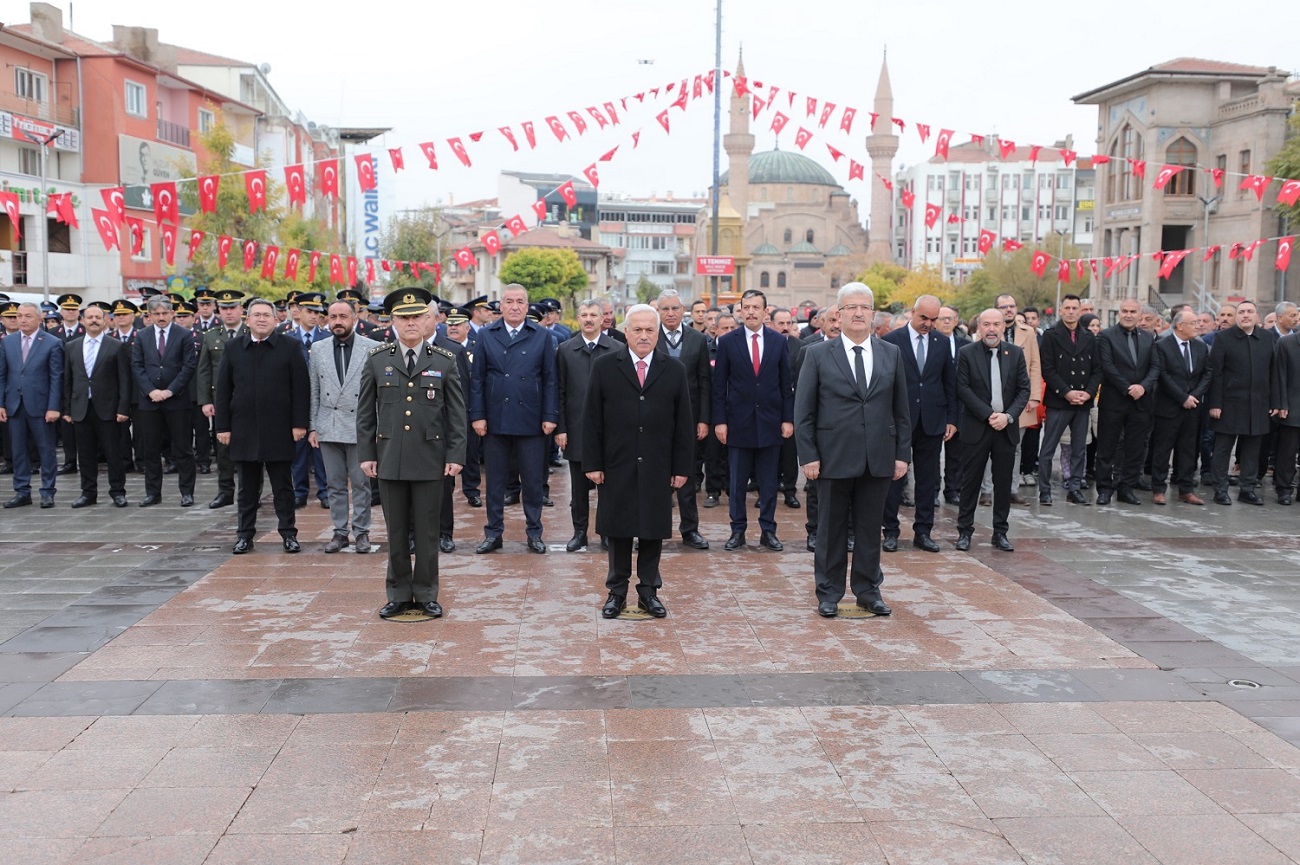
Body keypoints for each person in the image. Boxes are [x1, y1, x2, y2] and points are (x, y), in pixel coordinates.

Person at [796, 283, 910, 618]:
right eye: (851, 307)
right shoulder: (816, 354)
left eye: (864, 307)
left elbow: (901, 410)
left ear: (873, 314)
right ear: (839, 314)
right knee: (830, 530)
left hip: (878, 457)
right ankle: (829, 592)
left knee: (869, 529)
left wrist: (902, 454)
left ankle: (867, 590)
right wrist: (808, 455)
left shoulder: (891, 354)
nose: (858, 313)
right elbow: (803, 412)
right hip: (832, 457)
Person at [358, 288, 466, 619]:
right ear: (392, 322)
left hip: (431, 459)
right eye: (403, 318)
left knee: (427, 532)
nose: (411, 323)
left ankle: (427, 593)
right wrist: (366, 454)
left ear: (430, 320)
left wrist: (456, 455)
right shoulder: (378, 359)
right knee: (395, 532)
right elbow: (365, 413)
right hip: (389, 458)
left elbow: (457, 413)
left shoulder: (444, 360)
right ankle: (399, 593)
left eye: (417, 317)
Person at [583, 305, 695, 619]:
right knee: (618, 530)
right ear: (626, 332)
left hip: (658, 464)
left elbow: (683, 423)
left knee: (652, 529)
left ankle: (648, 592)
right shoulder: (605, 366)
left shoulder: (673, 369)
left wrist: (681, 467)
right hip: (617, 463)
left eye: (650, 330)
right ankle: (616, 592)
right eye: (638, 330)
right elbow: (591, 419)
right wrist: (593, 462)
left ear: (657, 334)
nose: (643, 336)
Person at [214, 298, 309, 554]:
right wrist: (222, 426)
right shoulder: (233, 348)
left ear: (276, 320)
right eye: (256, 315)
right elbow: (223, 391)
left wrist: (300, 424)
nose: (262, 319)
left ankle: (288, 534)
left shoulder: (290, 346)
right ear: (248, 320)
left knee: (283, 487)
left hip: (279, 428)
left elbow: (301, 388)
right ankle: (244, 535)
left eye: (266, 315)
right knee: (246, 489)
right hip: (243, 428)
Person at [469, 284, 557, 554]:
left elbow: (551, 379)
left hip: (531, 419)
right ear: (502, 306)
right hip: (496, 419)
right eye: (509, 301)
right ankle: (493, 533)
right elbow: (478, 380)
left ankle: (534, 532)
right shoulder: (486, 335)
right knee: (495, 482)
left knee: (532, 482)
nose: (515, 306)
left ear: (527, 307)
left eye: (520, 301)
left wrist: (550, 415)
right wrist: (478, 415)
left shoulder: (541, 336)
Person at [713, 289, 794, 552]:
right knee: (737, 482)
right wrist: (720, 421)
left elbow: (786, 385)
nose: (750, 312)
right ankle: (738, 530)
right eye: (745, 307)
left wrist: (787, 419)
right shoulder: (727, 342)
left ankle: (768, 530)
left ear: (765, 311)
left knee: (769, 482)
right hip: (738, 423)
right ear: (740, 310)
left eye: (755, 307)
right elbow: (719, 386)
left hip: (771, 422)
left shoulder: (778, 342)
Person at [880, 295, 956, 554]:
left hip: (932, 421)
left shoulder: (943, 343)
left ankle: (923, 532)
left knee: (928, 479)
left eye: (933, 319)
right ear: (913, 312)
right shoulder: (891, 341)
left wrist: (951, 419)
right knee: (894, 478)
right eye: (924, 318)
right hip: (899, 421)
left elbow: (950, 383)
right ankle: (890, 531)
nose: (928, 324)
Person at [954, 309, 1031, 553]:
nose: (991, 329)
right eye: (986, 324)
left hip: (1005, 429)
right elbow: (963, 388)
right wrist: (989, 415)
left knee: (1003, 482)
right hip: (977, 427)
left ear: (1003, 327)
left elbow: (1023, 390)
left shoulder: (1016, 353)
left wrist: (1007, 417)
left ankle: (1000, 532)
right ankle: (964, 532)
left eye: (996, 324)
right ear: (978, 327)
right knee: (970, 482)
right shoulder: (967, 353)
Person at [309, 299, 380, 554]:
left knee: (361, 483)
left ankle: (362, 532)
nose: (337, 321)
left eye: (343, 316)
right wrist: (313, 427)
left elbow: (379, 394)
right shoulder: (318, 349)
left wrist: (377, 429)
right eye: (332, 317)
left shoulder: (373, 348)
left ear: (355, 318)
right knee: (334, 484)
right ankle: (340, 532)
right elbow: (314, 391)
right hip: (329, 425)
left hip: (360, 427)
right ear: (327, 320)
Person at [556, 299, 618, 552]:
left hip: (610, 430)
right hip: (577, 428)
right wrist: (561, 428)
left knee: (609, 487)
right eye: (584, 315)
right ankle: (579, 533)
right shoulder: (565, 349)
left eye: (594, 314)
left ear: (604, 318)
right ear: (578, 318)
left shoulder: (616, 348)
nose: (589, 319)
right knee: (578, 489)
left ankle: (606, 532)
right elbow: (558, 391)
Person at [656, 289, 712, 549]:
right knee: (654, 477)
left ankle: (690, 530)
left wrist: (703, 419)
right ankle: (651, 528)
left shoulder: (697, 339)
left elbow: (704, 381)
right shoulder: (647, 336)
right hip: (656, 418)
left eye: (674, 308)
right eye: (665, 308)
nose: (670, 313)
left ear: (683, 311)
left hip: (688, 419)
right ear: (658, 311)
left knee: (687, 475)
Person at [61, 303, 131, 508]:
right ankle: (88, 493)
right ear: (83, 321)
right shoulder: (71, 346)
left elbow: (125, 380)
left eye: (97, 317)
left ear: (105, 321)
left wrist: (123, 408)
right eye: (89, 317)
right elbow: (67, 379)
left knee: (113, 453)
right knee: (85, 454)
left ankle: (118, 491)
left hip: (108, 409)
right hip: (81, 408)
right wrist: (67, 409)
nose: (93, 320)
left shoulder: (116, 346)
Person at [1207, 300, 1277, 506]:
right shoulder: (1223, 338)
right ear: (1237, 316)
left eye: (1250, 312)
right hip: (1229, 403)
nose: (1245, 315)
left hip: (1258, 403)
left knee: (1252, 449)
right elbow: (1215, 373)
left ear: (1257, 316)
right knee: (1222, 449)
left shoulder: (1266, 337)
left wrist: (1273, 401)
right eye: (1242, 312)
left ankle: (1247, 488)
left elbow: (1272, 372)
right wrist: (1215, 403)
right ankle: (1220, 489)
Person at [130, 296, 197, 507]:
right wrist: (150, 391)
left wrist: (170, 391)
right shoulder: (141, 335)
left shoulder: (184, 335)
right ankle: (152, 493)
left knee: (183, 448)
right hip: (149, 401)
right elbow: (137, 366)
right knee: (150, 449)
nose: (161, 317)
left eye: (164, 313)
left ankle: (187, 492)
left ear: (172, 314)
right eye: (156, 314)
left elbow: (188, 366)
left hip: (176, 400)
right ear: (149, 316)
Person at [1037, 295, 1101, 506]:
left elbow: (1097, 370)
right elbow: (1047, 368)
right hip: (1059, 401)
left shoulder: (1089, 337)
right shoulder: (1050, 335)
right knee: (1048, 449)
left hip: (1082, 401)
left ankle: (1075, 488)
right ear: (1061, 310)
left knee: (1079, 448)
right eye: (1067, 308)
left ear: (1080, 311)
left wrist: (1088, 393)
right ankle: (1045, 491)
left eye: (1075, 308)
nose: (1071, 311)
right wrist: (1066, 392)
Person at [1094, 298, 1158, 505]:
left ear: (1139, 315)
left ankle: (1126, 488)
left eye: (1133, 311)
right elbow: (1107, 365)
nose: (1128, 314)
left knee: (1135, 448)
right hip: (1114, 400)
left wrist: (1143, 387)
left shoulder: (1148, 338)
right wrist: (1128, 388)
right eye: (1125, 311)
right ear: (1118, 313)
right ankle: (1104, 489)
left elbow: (1155, 367)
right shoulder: (1106, 336)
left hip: (1141, 402)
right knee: (1107, 447)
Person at [0, 303, 64, 508]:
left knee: (46, 450)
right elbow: (2, 375)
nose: (22, 320)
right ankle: (22, 491)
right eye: (19, 316)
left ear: (39, 319)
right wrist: (1, 403)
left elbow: (56, 377)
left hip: (41, 404)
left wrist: (54, 406)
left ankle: (47, 491)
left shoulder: (52, 343)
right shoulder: (7, 342)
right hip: (14, 405)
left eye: (27, 316)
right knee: (18, 450)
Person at [1151, 308, 1211, 505]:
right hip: (1168, 406)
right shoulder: (1162, 345)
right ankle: (1159, 489)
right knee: (1162, 449)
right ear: (1180, 325)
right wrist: (1182, 397)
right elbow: (1162, 375)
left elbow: (1207, 374)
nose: (1198, 326)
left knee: (1188, 450)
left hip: (1193, 407)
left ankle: (1186, 489)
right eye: (1193, 323)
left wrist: (1194, 396)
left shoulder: (1201, 347)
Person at [196, 289, 249, 509]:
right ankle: (225, 491)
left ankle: (249, 493)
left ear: (241, 309)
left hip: (247, 399)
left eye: (233, 307)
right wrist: (206, 401)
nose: (229, 312)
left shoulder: (250, 332)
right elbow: (204, 371)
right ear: (218, 311)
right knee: (223, 449)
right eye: (225, 308)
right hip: (222, 401)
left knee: (249, 448)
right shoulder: (211, 335)